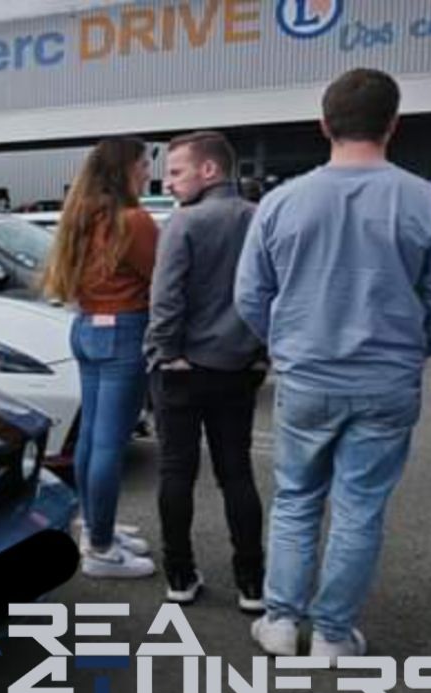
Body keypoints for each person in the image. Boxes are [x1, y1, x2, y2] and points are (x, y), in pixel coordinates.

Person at [238, 68, 431, 658]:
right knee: (360, 507)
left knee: (295, 499)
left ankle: (281, 622)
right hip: (387, 383)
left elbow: (249, 295)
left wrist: (285, 344)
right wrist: (412, 349)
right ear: (393, 125)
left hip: (306, 377)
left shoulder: (281, 202)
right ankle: (335, 635)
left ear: (324, 124)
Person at [144, 130, 266, 609]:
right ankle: (251, 581)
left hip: (182, 368)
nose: (168, 183)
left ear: (209, 170)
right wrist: (260, 351)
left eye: (176, 172)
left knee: (176, 471)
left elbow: (166, 297)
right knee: (236, 473)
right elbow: (272, 293)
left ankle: (179, 574)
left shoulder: (185, 223)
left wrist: (165, 351)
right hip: (237, 367)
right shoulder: (259, 219)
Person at [42, 136, 160, 580]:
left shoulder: (81, 217)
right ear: (124, 169)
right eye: (143, 163)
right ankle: (102, 548)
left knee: (92, 438)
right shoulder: (133, 220)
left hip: (87, 327)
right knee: (109, 442)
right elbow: (163, 278)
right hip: (125, 331)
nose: (148, 170)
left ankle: (95, 529)